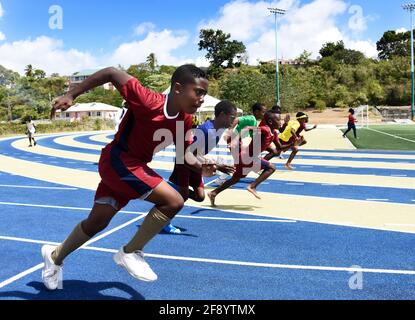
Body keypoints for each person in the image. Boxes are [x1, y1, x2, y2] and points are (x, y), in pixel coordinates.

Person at [42, 65, 215, 290]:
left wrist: (202, 166)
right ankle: (131, 252)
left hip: (130, 168)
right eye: (198, 92)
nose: (202, 99)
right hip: (118, 161)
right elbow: (112, 73)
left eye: (204, 93)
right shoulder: (148, 100)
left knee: (97, 222)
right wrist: (71, 94)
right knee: (173, 200)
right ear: (178, 88)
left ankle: (54, 257)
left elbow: (184, 155)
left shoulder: (184, 120)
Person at [164, 100, 237, 234]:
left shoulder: (220, 129)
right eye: (232, 117)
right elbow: (188, 154)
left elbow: (200, 154)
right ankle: (165, 215)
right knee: (182, 196)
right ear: (221, 115)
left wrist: (216, 165)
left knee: (199, 196)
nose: (234, 120)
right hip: (185, 163)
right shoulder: (206, 130)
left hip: (198, 163)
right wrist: (217, 165)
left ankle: (170, 190)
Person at [208, 110, 283, 206]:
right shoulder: (265, 129)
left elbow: (279, 148)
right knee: (272, 167)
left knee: (235, 179)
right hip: (248, 158)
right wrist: (235, 140)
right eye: (279, 120)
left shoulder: (274, 133)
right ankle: (252, 186)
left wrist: (294, 143)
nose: (281, 122)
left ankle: (213, 193)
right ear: (270, 122)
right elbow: (247, 128)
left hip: (246, 158)